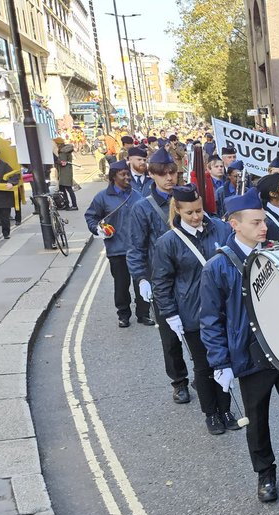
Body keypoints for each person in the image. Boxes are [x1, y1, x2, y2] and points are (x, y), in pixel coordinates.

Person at [200, 188, 279, 501]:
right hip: (249, 354)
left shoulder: (274, 254)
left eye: (263, 221)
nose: (264, 226)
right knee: (256, 418)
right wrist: (219, 362)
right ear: (235, 224)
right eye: (256, 222)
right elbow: (210, 320)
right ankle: (266, 476)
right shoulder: (216, 267)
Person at [151, 185, 238, 435]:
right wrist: (170, 314)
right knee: (204, 367)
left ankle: (227, 409)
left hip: (223, 310)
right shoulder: (168, 242)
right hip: (193, 314)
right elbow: (162, 282)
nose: (196, 217)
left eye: (199, 211)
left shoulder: (221, 229)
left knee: (224, 363)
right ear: (177, 210)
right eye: (189, 213)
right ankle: (211, 414)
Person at [125, 145, 191, 401]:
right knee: (170, 337)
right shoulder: (142, 208)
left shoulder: (187, 200)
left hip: (191, 277)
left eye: (172, 172)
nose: (169, 178)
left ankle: (202, 375)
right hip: (162, 281)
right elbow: (136, 248)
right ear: (152, 175)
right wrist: (141, 278)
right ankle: (179, 381)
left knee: (199, 332)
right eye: (162, 173)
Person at [86, 161, 148, 327]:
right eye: (123, 174)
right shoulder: (101, 197)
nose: (127, 177)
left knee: (141, 281)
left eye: (128, 174)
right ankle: (123, 314)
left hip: (137, 248)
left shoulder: (136, 195)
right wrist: (98, 229)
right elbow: (91, 217)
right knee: (121, 285)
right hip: (117, 249)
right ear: (113, 177)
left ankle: (143, 313)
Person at [53, 138, 77, 210]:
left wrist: (56, 160)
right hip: (65, 172)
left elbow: (62, 162)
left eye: (55, 144)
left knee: (67, 189)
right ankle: (68, 205)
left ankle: (73, 205)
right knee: (64, 189)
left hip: (64, 172)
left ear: (58, 144)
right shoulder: (64, 150)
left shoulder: (63, 151)